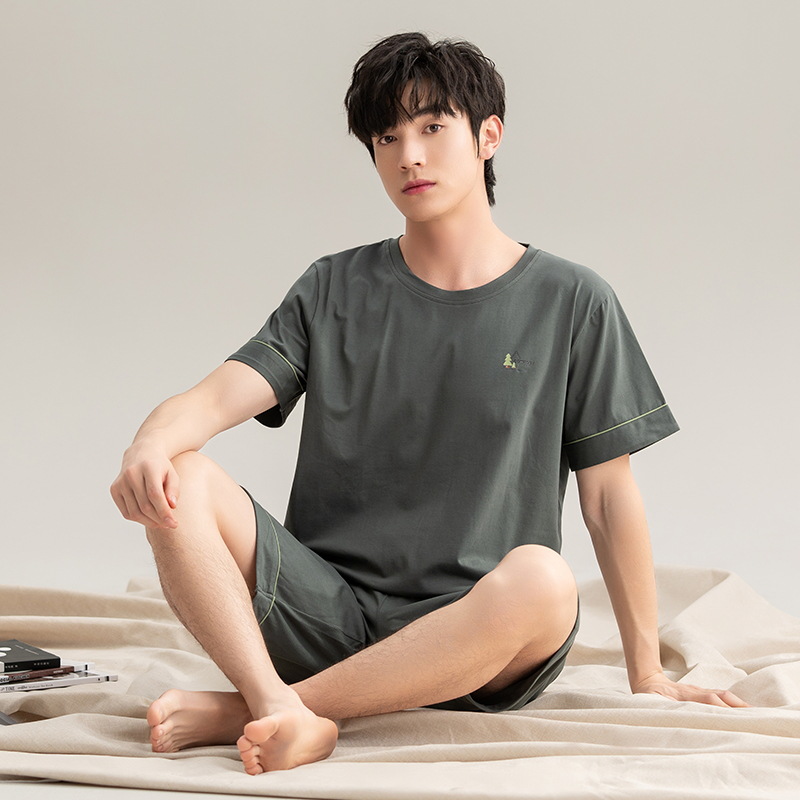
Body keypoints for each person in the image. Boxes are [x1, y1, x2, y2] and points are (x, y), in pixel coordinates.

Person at [110, 32, 748, 775]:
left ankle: (260, 709)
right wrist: (149, 444)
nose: (409, 155)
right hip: (324, 615)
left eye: (433, 127)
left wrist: (648, 672)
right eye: (388, 138)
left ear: (488, 136)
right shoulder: (333, 288)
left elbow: (607, 500)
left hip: (478, 639)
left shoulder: (573, 301)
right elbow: (215, 395)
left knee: (544, 579)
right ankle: (277, 699)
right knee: (181, 474)